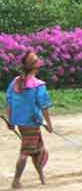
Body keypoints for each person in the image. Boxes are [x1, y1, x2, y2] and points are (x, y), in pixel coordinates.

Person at [5, 51, 53, 189]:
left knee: (37, 150)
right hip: (32, 123)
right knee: (26, 151)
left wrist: (11, 121)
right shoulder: (38, 85)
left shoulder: (15, 81)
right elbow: (44, 107)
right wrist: (49, 125)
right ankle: (16, 180)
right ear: (36, 67)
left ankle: (41, 177)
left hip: (21, 123)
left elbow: (9, 102)